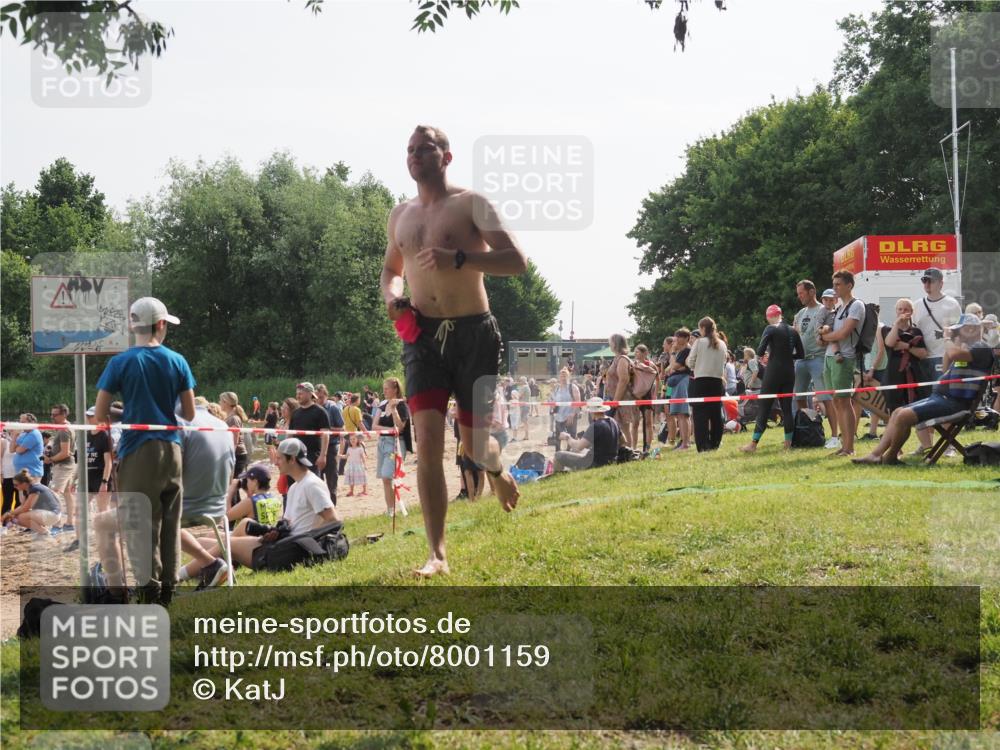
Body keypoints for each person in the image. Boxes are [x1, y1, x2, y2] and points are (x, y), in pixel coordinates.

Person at [381, 124, 526, 577]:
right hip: (421, 336)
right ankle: (437, 553)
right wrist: (393, 298)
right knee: (426, 442)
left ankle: (497, 472)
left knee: (474, 444)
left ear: (447, 156)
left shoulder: (471, 204)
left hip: (474, 333)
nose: (415, 156)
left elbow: (517, 261)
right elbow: (390, 270)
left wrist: (461, 258)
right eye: (409, 150)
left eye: (425, 149)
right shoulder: (399, 215)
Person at [95, 297, 196, 607]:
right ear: (161, 324)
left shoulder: (120, 362)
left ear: (132, 324)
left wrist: (128, 412)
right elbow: (190, 414)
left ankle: (148, 594)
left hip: (138, 452)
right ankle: (168, 593)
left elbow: (99, 412)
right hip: (172, 448)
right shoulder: (177, 360)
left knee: (141, 526)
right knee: (170, 521)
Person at [179, 438, 340, 580]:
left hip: (290, 551)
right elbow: (292, 522)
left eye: (279, 458)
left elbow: (333, 520)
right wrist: (277, 531)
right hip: (284, 544)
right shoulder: (295, 487)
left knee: (229, 544)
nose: (275, 462)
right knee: (210, 542)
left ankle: (178, 576)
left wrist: (306, 540)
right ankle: (203, 568)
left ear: (291, 459)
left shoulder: (312, 485)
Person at [853, 314, 994, 465]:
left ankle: (890, 457)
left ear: (971, 329)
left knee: (903, 416)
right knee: (897, 412)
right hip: (943, 398)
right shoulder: (967, 349)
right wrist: (953, 344)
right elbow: (946, 368)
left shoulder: (981, 347)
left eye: (960, 330)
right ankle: (876, 454)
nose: (957, 333)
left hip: (956, 403)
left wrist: (947, 338)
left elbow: (954, 354)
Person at [174, 397, 236, 590]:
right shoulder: (221, 424)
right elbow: (232, 470)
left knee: (149, 516)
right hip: (217, 508)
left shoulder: (178, 423)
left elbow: (172, 472)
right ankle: (210, 564)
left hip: (189, 508)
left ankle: (158, 581)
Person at [911, 267, 962, 454]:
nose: (927, 284)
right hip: (923, 359)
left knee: (945, 401)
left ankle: (948, 444)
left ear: (941, 283)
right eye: (924, 280)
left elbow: (959, 333)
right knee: (925, 400)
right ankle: (927, 443)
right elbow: (914, 331)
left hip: (944, 357)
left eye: (930, 281)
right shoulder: (917, 305)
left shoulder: (951, 304)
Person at [742, 305, 804, 452]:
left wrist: (766, 357)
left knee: (764, 406)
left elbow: (760, 350)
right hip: (789, 371)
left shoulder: (771, 329)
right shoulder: (793, 331)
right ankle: (788, 444)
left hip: (774, 371)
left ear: (769, 316)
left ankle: (753, 444)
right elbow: (801, 354)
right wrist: (788, 356)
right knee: (787, 408)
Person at [819, 271, 865, 457]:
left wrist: (825, 336)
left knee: (845, 402)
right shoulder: (838, 308)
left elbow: (842, 334)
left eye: (838, 284)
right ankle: (843, 445)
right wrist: (825, 337)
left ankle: (849, 447)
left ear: (849, 285)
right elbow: (823, 338)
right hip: (830, 358)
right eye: (834, 283)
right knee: (837, 402)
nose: (835, 288)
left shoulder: (856, 306)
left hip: (844, 358)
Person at [793, 280, 834, 418]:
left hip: (818, 358)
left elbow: (829, 332)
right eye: (798, 294)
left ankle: (834, 436)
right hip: (801, 360)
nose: (799, 296)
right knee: (799, 397)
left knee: (825, 398)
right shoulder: (799, 314)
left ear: (812, 292)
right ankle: (808, 427)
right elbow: (797, 334)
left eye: (801, 293)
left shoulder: (824, 310)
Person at [687, 317, 728, 452]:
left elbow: (690, 362)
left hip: (701, 381)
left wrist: (697, 366)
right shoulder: (722, 344)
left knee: (700, 415)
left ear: (703, 328)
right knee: (716, 414)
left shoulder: (699, 342)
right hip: (717, 381)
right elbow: (724, 362)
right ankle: (715, 443)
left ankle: (703, 446)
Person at [880, 299, 927, 414]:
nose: (902, 311)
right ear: (896, 311)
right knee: (894, 408)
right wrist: (896, 324)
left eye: (906, 309)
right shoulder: (888, 329)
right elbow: (890, 343)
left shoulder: (916, 331)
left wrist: (906, 346)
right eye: (900, 309)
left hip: (913, 372)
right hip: (894, 373)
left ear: (911, 312)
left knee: (915, 406)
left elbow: (923, 354)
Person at [373, 377, 411, 516]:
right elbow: (374, 426)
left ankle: (393, 509)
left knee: (386, 476)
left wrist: (394, 410)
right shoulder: (382, 405)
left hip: (395, 444)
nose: (384, 391)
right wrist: (388, 429)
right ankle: (391, 509)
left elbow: (400, 428)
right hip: (382, 443)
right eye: (383, 389)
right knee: (386, 479)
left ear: (395, 389)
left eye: (386, 389)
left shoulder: (402, 406)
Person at [552, 397, 622, 472]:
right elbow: (623, 441)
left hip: (594, 464)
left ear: (592, 412)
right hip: (611, 460)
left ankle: (558, 476)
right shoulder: (613, 421)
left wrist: (567, 437)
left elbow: (578, 447)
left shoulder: (596, 426)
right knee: (575, 451)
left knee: (558, 455)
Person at [288, 382, 330, 476]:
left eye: (301, 393)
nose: (298, 396)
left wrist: (323, 456)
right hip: (295, 456)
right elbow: (290, 435)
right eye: (297, 394)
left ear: (310, 394)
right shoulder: (295, 413)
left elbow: (325, 435)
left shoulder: (320, 412)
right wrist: (286, 454)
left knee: (311, 484)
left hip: (312, 457)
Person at [605, 333, 639, 450]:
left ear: (616, 343)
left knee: (624, 427)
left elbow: (624, 380)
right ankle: (623, 450)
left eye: (611, 342)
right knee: (619, 427)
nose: (609, 344)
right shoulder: (618, 358)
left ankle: (629, 452)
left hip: (621, 399)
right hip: (617, 398)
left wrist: (615, 400)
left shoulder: (622, 359)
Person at [226, 464, 282, 528]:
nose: (246, 483)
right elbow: (255, 514)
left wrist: (230, 491)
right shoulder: (275, 499)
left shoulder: (249, 502)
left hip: (248, 536)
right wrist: (249, 492)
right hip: (267, 535)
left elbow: (226, 517)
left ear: (255, 482)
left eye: (247, 480)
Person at [315, 384, 345, 505]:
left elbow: (342, 429)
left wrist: (327, 429)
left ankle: (333, 506)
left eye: (321, 397)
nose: (319, 400)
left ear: (326, 396)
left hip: (332, 446)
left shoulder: (333, 408)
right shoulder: (314, 409)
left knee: (331, 479)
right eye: (316, 397)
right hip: (317, 447)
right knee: (317, 479)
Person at [665, 329, 693, 450]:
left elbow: (673, 367)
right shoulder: (680, 351)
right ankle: (681, 441)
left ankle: (685, 443)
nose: (676, 341)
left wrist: (672, 354)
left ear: (686, 338)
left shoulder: (686, 350)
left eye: (679, 337)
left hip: (681, 383)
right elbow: (671, 369)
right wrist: (674, 366)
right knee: (675, 413)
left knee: (682, 413)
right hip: (674, 384)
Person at [632, 344, 660, 454]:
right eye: (635, 352)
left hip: (648, 395)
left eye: (638, 352)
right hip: (637, 395)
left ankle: (647, 446)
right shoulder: (633, 364)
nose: (636, 354)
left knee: (648, 421)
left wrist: (655, 394)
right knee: (635, 423)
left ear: (645, 353)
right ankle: (633, 446)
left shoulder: (651, 364)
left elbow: (658, 379)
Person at [219, 392, 250, 479]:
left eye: (221, 401)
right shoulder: (229, 417)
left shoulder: (233, 418)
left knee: (233, 485)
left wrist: (231, 458)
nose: (219, 403)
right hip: (235, 454)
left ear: (226, 402)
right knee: (232, 486)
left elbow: (235, 440)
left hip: (237, 454)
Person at [12, 413, 44, 484]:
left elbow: (19, 450)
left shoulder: (34, 434)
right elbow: (11, 450)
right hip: (21, 473)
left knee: (31, 494)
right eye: (20, 422)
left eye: (23, 422)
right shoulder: (23, 434)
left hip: (32, 473)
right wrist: (14, 436)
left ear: (31, 423)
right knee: (23, 495)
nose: (21, 425)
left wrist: (16, 447)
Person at [1, 430, 17, 516]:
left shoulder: (21, 441)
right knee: (7, 500)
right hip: (7, 475)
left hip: (19, 475)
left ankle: (17, 522)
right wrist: (1, 474)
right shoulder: (4, 441)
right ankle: (5, 523)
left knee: (19, 501)